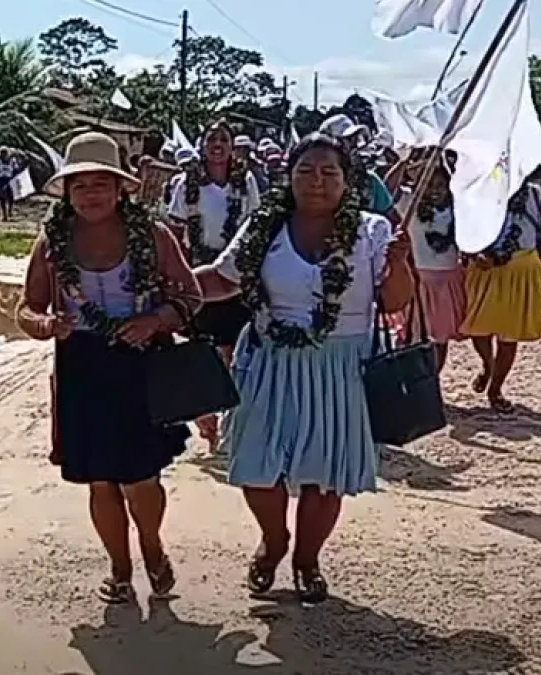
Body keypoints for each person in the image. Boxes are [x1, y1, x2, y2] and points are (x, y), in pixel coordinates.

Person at [193, 133, 415, 604]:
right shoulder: (263, 225)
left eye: (329, 172)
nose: (317, 181)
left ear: (347, 180)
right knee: (256, 466)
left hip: (340, 365)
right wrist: (168, 289)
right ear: (288, 177)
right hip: (269, 359)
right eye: (306, 171)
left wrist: (398, 265)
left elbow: (395, 301)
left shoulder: (373, 231)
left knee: (324, 473)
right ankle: (274, 540)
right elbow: (221, 278)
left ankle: (307, 560)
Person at [15, 132, 202, 604]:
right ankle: (119, 569)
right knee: (100, 478)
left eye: (102, 183)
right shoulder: (52, 242)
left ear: (122, 189)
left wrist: (154, 319)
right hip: (82, 365)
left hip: (141, 365)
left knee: (141, 478)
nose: (91, 194)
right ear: (67, 193)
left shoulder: (153, 236)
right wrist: (45, 325)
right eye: (81, 186)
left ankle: (152, 547)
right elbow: (26, 307)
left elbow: (190, 297)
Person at [168, 120, 263, 446]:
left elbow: (255, 225)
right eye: (211, 139)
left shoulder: (245, 180)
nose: (217, 145)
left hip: (234, 273)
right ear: (202, 144)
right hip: (198, 272)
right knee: (200, 348)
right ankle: (206, 420)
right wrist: (178, 273)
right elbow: (176, 231)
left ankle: (231, 419)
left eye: (223, 139)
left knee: (231, 349)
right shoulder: (186, 183)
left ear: (232, 145)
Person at [460, 177, 541, 413]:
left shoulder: (534, 193)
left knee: (509, 336)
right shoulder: (480, 187)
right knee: (478, 326)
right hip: (486, 266)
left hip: (522, 268)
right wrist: (474, 253)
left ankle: (496, 389)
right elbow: (465, 226)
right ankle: (487, 364)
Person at [394, 149, 465, 371]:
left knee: (440, 338)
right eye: (429, 185)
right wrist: (405, 162)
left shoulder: (458, 209)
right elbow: (388, 190)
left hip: (448, 282)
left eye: (440, 186)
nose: (435, 191)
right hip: (418, 282)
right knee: (413, 337)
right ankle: (412, 381)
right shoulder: (409, 205)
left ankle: (432, 380)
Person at [319, 114, 401, 225]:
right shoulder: (317, 182)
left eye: (354, 139)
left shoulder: (370, 181)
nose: (353, 146)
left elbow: (393, 219)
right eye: (347, 140)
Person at [0, 147, 19, 221]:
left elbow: (16, 170)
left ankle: (10, 210)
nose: (4, 155)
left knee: (11, 196)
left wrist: (15, 179)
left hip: (10, 179)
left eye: (5, 153)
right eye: (2, 153)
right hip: (1, 180)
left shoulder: (12, 161)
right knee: (2, 198)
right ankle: (4, 215)